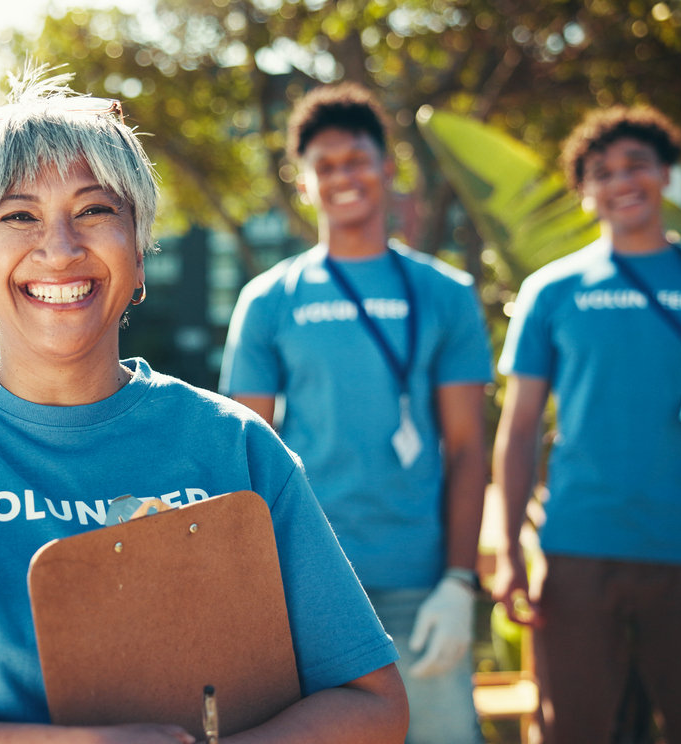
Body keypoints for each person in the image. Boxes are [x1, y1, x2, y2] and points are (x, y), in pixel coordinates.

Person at [0, 70, 408, 743]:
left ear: (139, 255)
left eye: (93, 210)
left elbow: (370, 704)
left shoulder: (234, 444)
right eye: (17, 215)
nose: (58, 249)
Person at [220, 83, 491, 744]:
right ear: (303, 181)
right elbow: (240, 453)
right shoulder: (268, 299)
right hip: (306, 585)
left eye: (357, 159)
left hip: (418, 585)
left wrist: (459, 581)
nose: (342, 176)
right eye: (325, 165)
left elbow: (465, 448)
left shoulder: (445, 294)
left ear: (387, 166)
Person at [492, 105, 681, 743]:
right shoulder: (550, 291)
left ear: (666, 175)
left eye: (636, 164)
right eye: (602, 172)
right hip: (576, 555)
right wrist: (508, 553)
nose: (622, 181)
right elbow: (520, 427)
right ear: (585, 193)